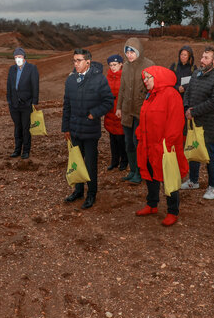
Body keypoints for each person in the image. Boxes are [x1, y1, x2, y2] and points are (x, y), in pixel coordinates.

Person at [134, 65, 188, 225]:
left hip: (165, 146)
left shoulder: (171, 95)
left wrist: (168, 143)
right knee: (150, 174)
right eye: (144, 78)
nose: (145, 81)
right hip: (149, 144)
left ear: (157, 78)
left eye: (148, 77)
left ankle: (173, 211)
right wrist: (139, 133)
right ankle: (152, 204)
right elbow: (143, 117)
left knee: (168, 177)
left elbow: (177, 121)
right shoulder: (150, 95)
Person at [62, 48, 114, 209]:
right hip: (75, 129)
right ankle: (78, 191)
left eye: (79, 60)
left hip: (90, 131)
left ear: (88, 62)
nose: (75, 63)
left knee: (90, 165)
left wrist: (94, 114)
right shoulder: (71, 80)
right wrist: (66, 128)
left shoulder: (99, 79)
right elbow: (67, 105)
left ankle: (91, 194)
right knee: (77, 162)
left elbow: (108, 101)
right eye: (74, 60)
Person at [180, 46, 214, 200]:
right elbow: (188, 91)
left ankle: (213, 187)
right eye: (202, 56)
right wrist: (186, 107)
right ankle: (194, 181)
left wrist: (194, 111)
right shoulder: (197, 73)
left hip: (207, 123)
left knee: (209, 155)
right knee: (193, 150)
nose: (202, 60)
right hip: (192, 121)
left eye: (206, 58)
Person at [116, 38, 154, 184]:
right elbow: (122, 88)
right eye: (127, 52)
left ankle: (140, 172)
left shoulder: (148, 65)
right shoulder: (125, 66)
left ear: (139, 51)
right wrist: (119, 107)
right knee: (128, 143)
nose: (129, 55)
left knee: (138, 142)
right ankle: (132, 170)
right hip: (127, 111)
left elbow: (153, 89)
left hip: (141, 111)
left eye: (132, 51)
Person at [6, 47, 39, 159]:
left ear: (24, 57)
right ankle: (17, 150)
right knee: (17, 127)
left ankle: (26, 151)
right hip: (14, 104)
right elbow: (9, 86)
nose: (17, 59)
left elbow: (35, 85)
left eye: (19, 57)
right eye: (15, 57)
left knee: (26, 128)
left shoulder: (32, 68)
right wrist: (9, 101)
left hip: (26, 104)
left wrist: (34, 101)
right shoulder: (12, 69)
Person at [104, 54, 128, 171]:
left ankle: (124, 160)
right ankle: (114, 161)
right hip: (109, 112)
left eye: (115, 65)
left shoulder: (125, 77)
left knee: (121, 138)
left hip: (120, 112)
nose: (112, 67)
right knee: (112, 138)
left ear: (121, 64)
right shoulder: (107, 78)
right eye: (110, 65)